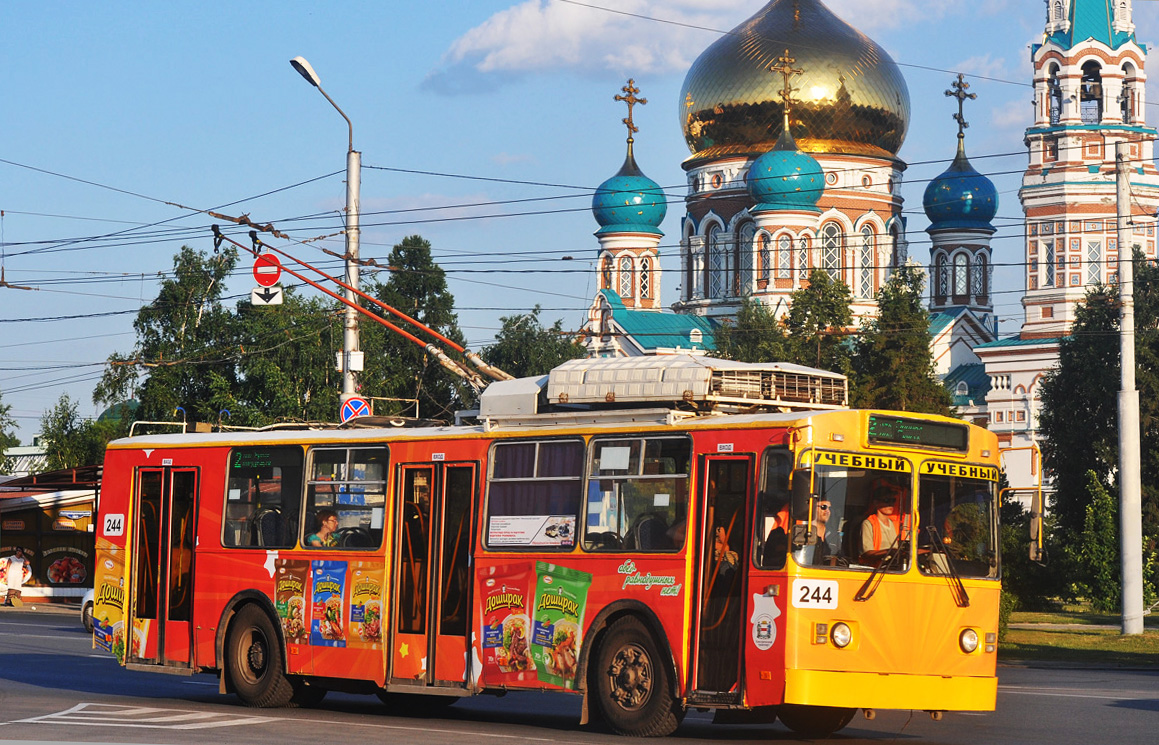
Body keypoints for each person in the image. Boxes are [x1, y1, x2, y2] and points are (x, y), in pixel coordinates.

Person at [860, 481, 906, 565]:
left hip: (894, 567)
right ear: (876, 503)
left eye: (893, 500)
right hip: (876, 568)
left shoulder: (894, 524)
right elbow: (867, 553)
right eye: (886, 500)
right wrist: (888, 552)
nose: (891, 504)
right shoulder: (868, 523)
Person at [812, 500, 835, 565]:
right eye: (823, 507)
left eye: (829, 508)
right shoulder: (805, 532)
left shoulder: (834, 535)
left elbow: (838, 558)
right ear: (813, 508)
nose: (827, 511)